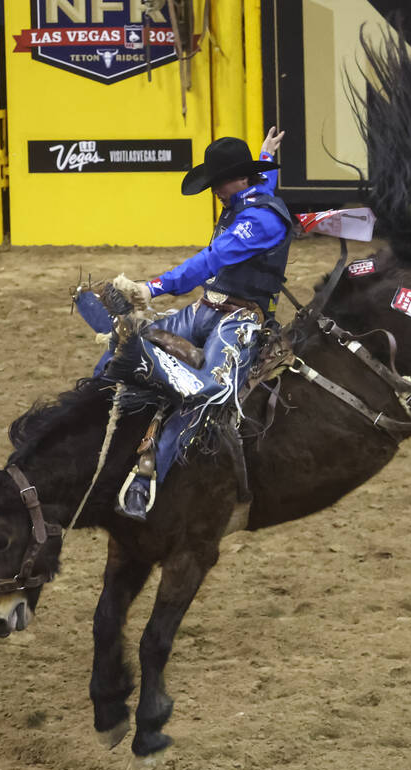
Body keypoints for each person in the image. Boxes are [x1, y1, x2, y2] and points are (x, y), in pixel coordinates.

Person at [106, 128, 293, 521]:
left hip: (239, 319)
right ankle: (104, 426)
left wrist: (150, 288)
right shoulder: (252, 200)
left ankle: (145, 478)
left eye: (217, 183)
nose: (215, 192)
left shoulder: (260, 220)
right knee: (121, 345)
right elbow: (260, 187)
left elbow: (210, 260)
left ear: (235, 180)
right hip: (210, 307)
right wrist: (265, 154)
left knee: (206, 393)